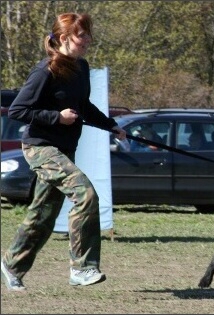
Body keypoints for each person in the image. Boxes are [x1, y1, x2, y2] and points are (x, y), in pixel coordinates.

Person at [1, 13, 127, 291]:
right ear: (63, 38)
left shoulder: (81, 68)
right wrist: (56, 117)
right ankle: (82, 268)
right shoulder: (45, 70)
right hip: (40, 148)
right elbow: (17, 111)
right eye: (81, 35)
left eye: (88, 34)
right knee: (86, 194)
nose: (87, 40)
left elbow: (84, 107)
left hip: (65, 149)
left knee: (43, 215)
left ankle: (11, 264)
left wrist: (111, 125)